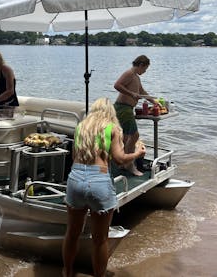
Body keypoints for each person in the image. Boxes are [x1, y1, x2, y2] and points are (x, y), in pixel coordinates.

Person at [62, 97, 146, 277]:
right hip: (98, 181)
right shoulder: (112, 128)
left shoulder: (81, 127)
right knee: (100, 240)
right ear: (110, 113)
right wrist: (138, 153)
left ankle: (67, 272)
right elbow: (120, 159)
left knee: (72, 233)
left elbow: (74, 156)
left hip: (75, 178)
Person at [113, 55, 157, 176]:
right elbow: (117, 85)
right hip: (123, 108)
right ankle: (128, 164)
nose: (145, 72)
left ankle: (123, 162)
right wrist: (131, 93)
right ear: (141, 65)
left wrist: (153, 101)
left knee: (127, 137)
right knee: (134, 136)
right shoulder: (129, 73)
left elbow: (142, 92)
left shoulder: (136, 77)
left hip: (128, 109)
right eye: (145, 69)